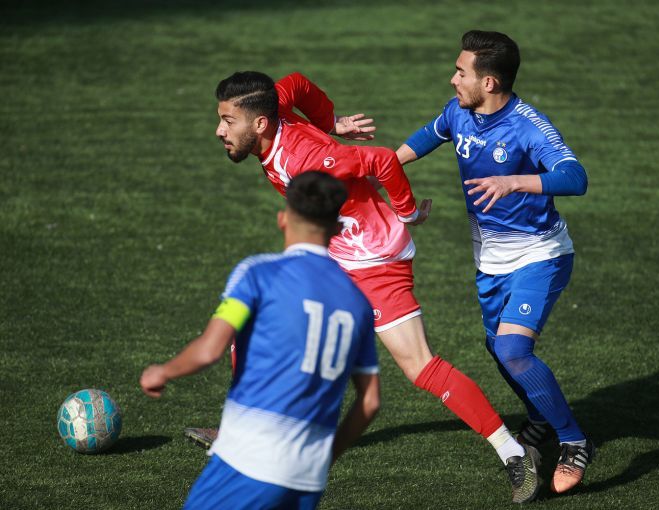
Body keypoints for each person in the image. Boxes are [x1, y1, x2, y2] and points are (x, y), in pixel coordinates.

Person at [210, 70, 541, 503]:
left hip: (374, 257)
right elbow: (296, 82)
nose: (219, 131)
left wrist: (406, 212)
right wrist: (331, 122)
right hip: (334, 251)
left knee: (420, 366)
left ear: (259, 124)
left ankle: (514, 453)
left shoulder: (307, 158)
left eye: (227, 121)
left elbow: (383, 160)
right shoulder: (272, 103)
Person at [395, 30, 594, 494]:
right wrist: (379, 168)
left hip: (540, 255)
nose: (453, 79)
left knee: (512, 350)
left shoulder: (528, 126)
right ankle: (540, 418)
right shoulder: (458, 113)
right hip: (490, 261)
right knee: (497, 347)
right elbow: (426, 137)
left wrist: (515, 182)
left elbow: (576, 177)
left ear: (489, 82)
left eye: (460, 72)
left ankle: (574, 441)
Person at [140, 171, 380, 509]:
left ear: (283, 219)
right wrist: (326, 458)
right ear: (338, 229)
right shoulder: (358, 303)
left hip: (249, 461)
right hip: (308, 479)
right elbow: (370, 402)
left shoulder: (257, 274)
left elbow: (210, 350)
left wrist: (163, 372)